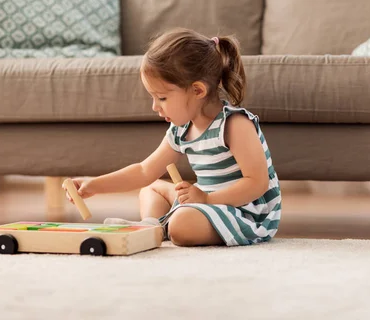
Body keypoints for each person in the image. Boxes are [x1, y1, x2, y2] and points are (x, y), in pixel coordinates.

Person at [63, 28, 281, 247]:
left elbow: (257, 183)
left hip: (245, 212)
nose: (155, 106)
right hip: (204, 202)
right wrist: (94, 185)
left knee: (182, 225)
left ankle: (162, 227)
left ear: (197, 91)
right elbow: (143, 171)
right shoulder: (181, 130)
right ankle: (151, 226)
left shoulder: (234, 124)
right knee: (151, 188)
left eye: (162, 98)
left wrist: (206, 200)